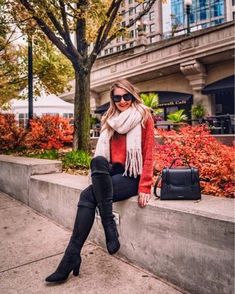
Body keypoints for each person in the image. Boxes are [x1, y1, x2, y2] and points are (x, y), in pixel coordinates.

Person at [45, 79, 154, 283]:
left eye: (126, 96)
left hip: (131, 176)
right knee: (97, 161)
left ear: (132, 95)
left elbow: (148, 154)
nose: (122, 101)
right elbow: (105, 155)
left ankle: (71, 257)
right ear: (113, 100)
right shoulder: (109, 119)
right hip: (110, 174)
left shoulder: (143, 116)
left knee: (87, 195)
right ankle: (107, 226)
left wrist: (145, 186)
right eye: (117, 97)